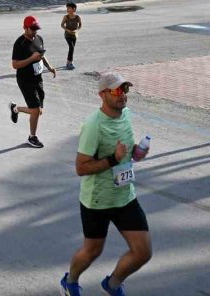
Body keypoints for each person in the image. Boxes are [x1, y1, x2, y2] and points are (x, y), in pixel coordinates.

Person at [60, 72, 152, 296]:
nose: (123, 96)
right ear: (102, 94)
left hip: (125, 196)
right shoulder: (93, 125)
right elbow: (81, 168)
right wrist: (113, 159)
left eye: (125, 90)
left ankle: (111, 285)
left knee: (143, 252)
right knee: (92, 251)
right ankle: (70, 281)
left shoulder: (126, 114)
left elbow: (127, 153)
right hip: (97, 201)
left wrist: (137, 153)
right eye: (117, 91)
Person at [9, 15, 56, 148]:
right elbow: (15, 65)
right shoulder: (20, 43)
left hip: (37, 78)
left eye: (36, 28)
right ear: (25, 28)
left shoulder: (39, 39)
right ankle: (32, 137)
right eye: (32, 28)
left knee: (38, 111)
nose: (34, 31)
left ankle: (16, 109)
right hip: (25, 79)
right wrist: (30, 59)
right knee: (35, 110)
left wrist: (49, 67)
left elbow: (41, 55)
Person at [61, 2, 82, 70]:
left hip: (74, 35)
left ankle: (69, 62)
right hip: (67, 35)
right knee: (71, 47)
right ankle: (69, 63)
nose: (67, 9)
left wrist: (77, 30)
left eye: (69, 8)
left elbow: (80, 25)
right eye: (67, 8)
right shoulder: (66, 17)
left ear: (74, 9)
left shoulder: (77, 17)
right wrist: (68, 30)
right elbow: (62, 25)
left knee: (72, 49)